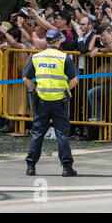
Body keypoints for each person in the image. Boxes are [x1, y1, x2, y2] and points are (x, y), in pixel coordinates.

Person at [23, 29, 79, 177]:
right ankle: (67, 167)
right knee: (62, 133)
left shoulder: (37, 57)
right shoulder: (64, 57)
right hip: (59, 100)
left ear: (47, 41)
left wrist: (33, 90)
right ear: (59, 41)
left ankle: (31, 166)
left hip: (41, 100)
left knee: (38, 133)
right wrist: (66, 89)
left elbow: (26, 79)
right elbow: (74, 80)